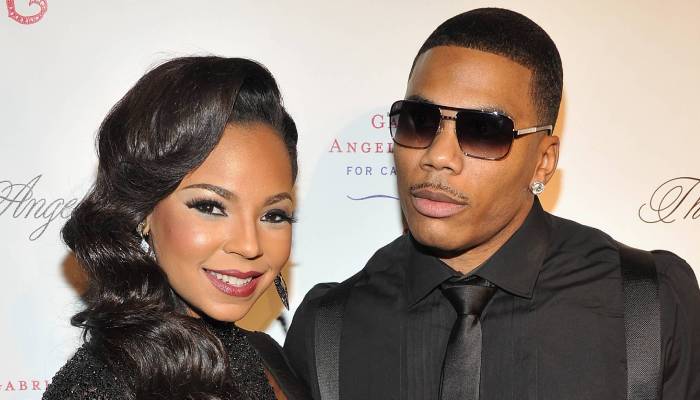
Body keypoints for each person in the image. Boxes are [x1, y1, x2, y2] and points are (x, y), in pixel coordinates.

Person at [284, 8, 700, 400]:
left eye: (484, 130)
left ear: (543, 161)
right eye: (420, 121)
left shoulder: (649, 301)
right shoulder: (328, 327)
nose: (438, 156)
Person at [44, 56, 309, 400]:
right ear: (144, 212)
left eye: (273, 215)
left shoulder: (267, 358)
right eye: (210, 207)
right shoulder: (98, 390)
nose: (249, 245)